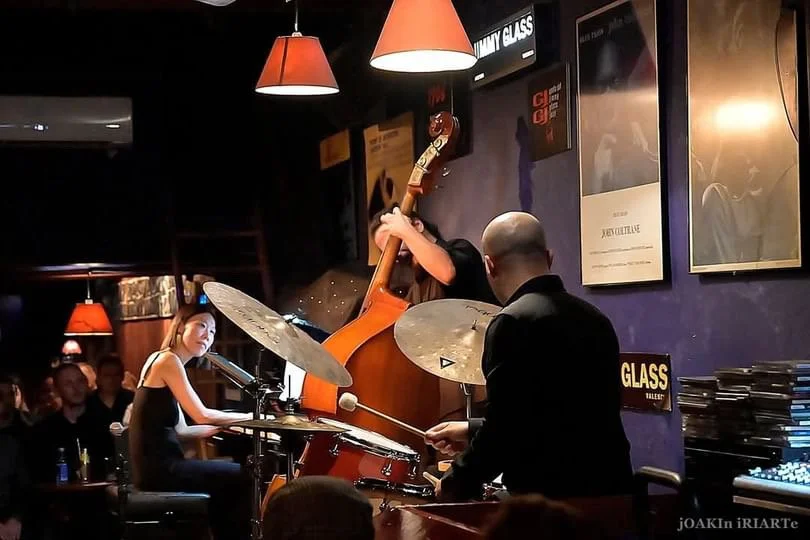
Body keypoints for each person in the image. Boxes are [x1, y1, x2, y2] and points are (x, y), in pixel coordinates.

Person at [425, 212, 632, 501]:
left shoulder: (511, 322)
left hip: (550, 505)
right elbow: (556, 415)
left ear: (489, 265)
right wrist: (470, 429)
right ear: (549, 257)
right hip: (611, 496)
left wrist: (456, 480)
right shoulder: (594, 317)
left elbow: (505, 434)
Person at [128, 302, 253, 540]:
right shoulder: (168, 361)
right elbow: (201, 414)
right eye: (201, 326)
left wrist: (224, 426)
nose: (208, 335)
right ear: (180, 327)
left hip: (157, 467)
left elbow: (182, 429)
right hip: (162, 469)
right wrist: (252, 418)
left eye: (213, 331)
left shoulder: (162, 359)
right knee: (242, 475)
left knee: (231, 477)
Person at [370, 204, 498, 305]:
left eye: (393, 243)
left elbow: (447, 273)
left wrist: (404, 230)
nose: (393, 255)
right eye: (384, 251)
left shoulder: (461, 249)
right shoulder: (414, 290)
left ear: (417, 225)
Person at [86, 354, 134, 427]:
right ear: (99, 377)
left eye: (116, 375)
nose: (111, 379)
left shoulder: (132, 400)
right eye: (107, 375)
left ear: (122, 377)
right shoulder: (88, 402)